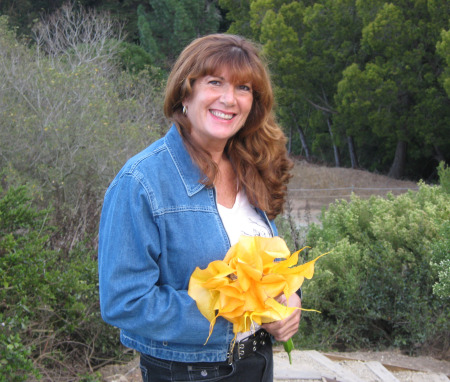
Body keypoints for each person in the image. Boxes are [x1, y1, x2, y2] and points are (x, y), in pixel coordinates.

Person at [98, 33, 301, 382]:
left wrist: (290, 298)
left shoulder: (249, 167)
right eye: (215, 82)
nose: (229, 99)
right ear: (184, 92)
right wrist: (238, 310)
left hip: (257, 364)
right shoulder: (141, 182)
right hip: (189, 373)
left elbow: (269, 265)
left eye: (243, 88)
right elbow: (124, 302)